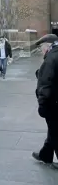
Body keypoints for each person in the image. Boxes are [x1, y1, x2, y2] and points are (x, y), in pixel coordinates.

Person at [32, 34, 58, 169]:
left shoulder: (51, 59)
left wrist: (43, 105)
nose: (41, 50)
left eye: (42, 47)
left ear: (48, 45)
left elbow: (46, 85)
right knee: (53, 129)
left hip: (53, 102)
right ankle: (45, 155)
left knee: (55, 131)